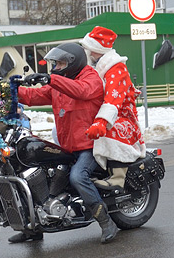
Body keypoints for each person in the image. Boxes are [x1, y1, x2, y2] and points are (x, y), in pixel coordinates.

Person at [17, 43, 115, 244]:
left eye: (60, 63)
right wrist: (9, 89)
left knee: (78, 177)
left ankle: (106, 222)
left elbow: (82, 91)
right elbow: (34, 96)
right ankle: (33, 227)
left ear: (73, 62)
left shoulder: (90, 78)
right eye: (55, 64)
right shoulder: (60, 83)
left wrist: (51, 79)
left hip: (90, 145)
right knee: (31, 173)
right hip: (67, 146)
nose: (56, 67)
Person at [79, 27, 145, 192]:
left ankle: (118, 178)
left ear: (96, 50)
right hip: (102, 112)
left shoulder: (116, 68)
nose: (85, 51)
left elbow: (113, 99)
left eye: (88, 48)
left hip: (121, 117)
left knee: (109, 130)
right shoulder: (96, 66)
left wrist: (102, 122)